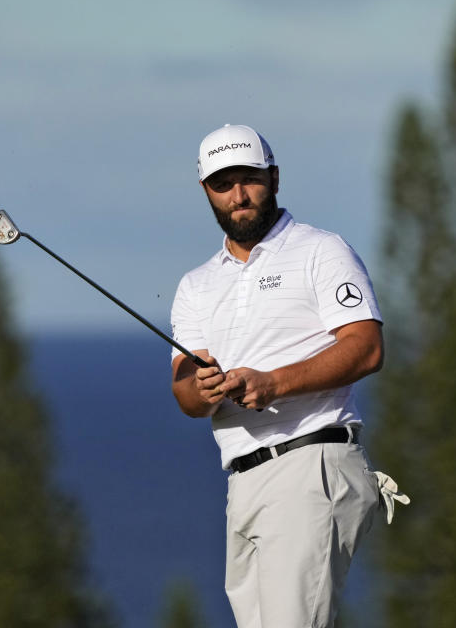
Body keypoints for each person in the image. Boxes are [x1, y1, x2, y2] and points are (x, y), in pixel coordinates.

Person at [170, 124, 408, 628]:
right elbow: (185, 390)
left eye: (249, 179)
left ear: (274, 177)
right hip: (243, 483)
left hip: (311, 464)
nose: (238, 195)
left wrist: (273, 383)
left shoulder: (321, 251)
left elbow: (366, 348)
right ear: (205, 192)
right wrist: (202, 389)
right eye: (222, 184)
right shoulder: (196, 285)